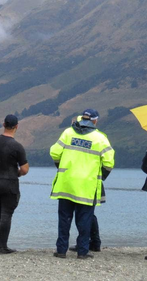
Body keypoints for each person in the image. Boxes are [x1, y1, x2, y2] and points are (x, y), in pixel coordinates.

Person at [50, 109, 114, 259]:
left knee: (64, 219)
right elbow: (109, 162)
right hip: (87, 186)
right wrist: (101, 176)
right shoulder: (100, 138)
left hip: (66, 184)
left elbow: (54, 153)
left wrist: (61, 168)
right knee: (84, 220)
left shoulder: (68, 133)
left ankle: (61, 251)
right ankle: (82, 252)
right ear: (95, 121)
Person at [0, 114, 29, 255]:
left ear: (3, 124)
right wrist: (17, 173)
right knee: (6, 214)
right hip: (10, 184)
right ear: (16, 126)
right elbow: (25, 169)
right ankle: (3, 247)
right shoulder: (17, 146)